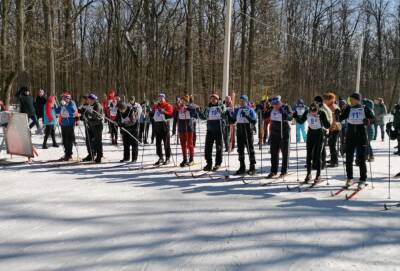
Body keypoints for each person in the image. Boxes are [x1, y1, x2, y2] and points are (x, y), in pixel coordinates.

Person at [340, 92, 375, 189]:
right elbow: (341, 118)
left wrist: (368, 121)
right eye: (350, 99)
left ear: (357, 99)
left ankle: (363, 179)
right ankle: (349, 178)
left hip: (361, 135)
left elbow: (373, 119)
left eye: (352, 99)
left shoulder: (364, 108)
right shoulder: (348, 108)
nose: (350, 101)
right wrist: (337, 114)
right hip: (350, 135)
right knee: (349, 158)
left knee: (361, 159)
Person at [264, 96, 293, 178]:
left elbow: (289, 117)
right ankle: (273, 171)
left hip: (284, 131)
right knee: (274, 153)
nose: (275, 106)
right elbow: (265, 116)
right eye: (273, 104)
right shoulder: (271, 108)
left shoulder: (286, 107)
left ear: (280, 102)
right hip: (274, 132)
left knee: (285, 152)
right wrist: (265, 108)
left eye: (276, 104)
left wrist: (281, 110)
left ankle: (284, 170)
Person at [228, 95, 257, 175]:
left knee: (250, 149)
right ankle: (242, 167)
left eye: (243, 101)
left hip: (247, 130)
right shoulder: (238, 110)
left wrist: (247, 116)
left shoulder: (250, 110)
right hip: (240, 130)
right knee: (240, 150)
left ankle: (252, 167)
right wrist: (228, 115)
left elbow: (254, 121)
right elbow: (233, 120)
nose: (241, 102)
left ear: (246, 102)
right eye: (240, 101)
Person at [303, 102, 331, 183]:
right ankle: (308, 174)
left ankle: (318, 175)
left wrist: (321, 119)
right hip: (311, 134)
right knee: (309, 155)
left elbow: (328, 125)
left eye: (315, 110)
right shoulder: (307, 112)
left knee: (318, 155)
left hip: (319, 134)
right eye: (311, 110)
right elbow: (301, 120)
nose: (313, 112)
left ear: (318, 109)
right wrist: (295, 115)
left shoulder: (322, 113)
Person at [199, 93, 225, 171]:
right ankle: (209, 163)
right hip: (210, 130)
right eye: (212, 99)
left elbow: (225, 116)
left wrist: (221, 111)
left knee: (219, 147)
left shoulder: (221, 106)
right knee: (207, 147)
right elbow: (203, 117)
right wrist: (199, 112)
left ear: (218, 100)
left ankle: (218, 163)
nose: (213, 100)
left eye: (215, 99)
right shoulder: (208, 108)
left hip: (219, 129)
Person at [150, 93, 174, 165]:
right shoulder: (156, 106)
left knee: (166, 143)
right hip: (157, 126)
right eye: (159, 98)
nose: (160, 99)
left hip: (165, 126)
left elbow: (171, 115)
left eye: (162, 98)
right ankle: (160, 157)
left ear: (164, 98)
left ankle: (167, 158)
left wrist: (164, 112)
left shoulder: (167, 105)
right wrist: (150, 114)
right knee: (158, 144)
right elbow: (153, 114)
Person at [55, 92, 77, 161]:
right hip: (63, 124)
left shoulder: (72, 103)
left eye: (66, 98)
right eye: (63, 98)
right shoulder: (62, 104)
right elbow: (57, 111)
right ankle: (66, 153)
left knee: (69, 140)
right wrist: (55, 106)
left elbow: (73, 111)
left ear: (69, 98)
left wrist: (66, 106)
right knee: (64, 140)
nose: (64, 99)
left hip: (69, 124)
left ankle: (69, 154)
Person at [82, 93, 104, 163]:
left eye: (90, 100)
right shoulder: (89, 105)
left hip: (97, 125)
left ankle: (99, 156)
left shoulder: (98, 106)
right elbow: (85, 114)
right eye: (88, 100)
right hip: (90, 126)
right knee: (89, 141)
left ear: (93, 100)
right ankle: (91, 154)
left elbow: (94, 116)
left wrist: (88, 115)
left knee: (97, 141)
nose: (88, 101)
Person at [176, 95, 197, 167]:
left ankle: (191, 159)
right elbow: (174, 112)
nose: (182, 102)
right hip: (181, 128)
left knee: (190, 144)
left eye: (184, 100)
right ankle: (185, 159)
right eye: (182, 100)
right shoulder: (180, 107)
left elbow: (194, 109)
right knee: (183, 145)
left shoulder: (190, 106)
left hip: (188, 128)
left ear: (187, 101)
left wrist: (187, 108)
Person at [324, 93, 341, 168]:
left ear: (330, 99)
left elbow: (335, 120)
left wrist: (331, 129)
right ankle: (332, 159)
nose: (325, 101)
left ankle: (335, 161)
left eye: (326, 99)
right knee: (331, 144)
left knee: (332, 144)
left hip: (335, 128)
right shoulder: (328, 106)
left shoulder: (334, 107)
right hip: (331, 128)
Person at [362, 97, 375, 161]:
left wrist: (367, 121)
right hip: (367, 129)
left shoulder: (369, 111)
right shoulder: (367, 110)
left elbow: (372, 120)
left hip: (369, 129)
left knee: (367, 143)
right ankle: (366, 155)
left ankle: (371, 156)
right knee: (366, 143)